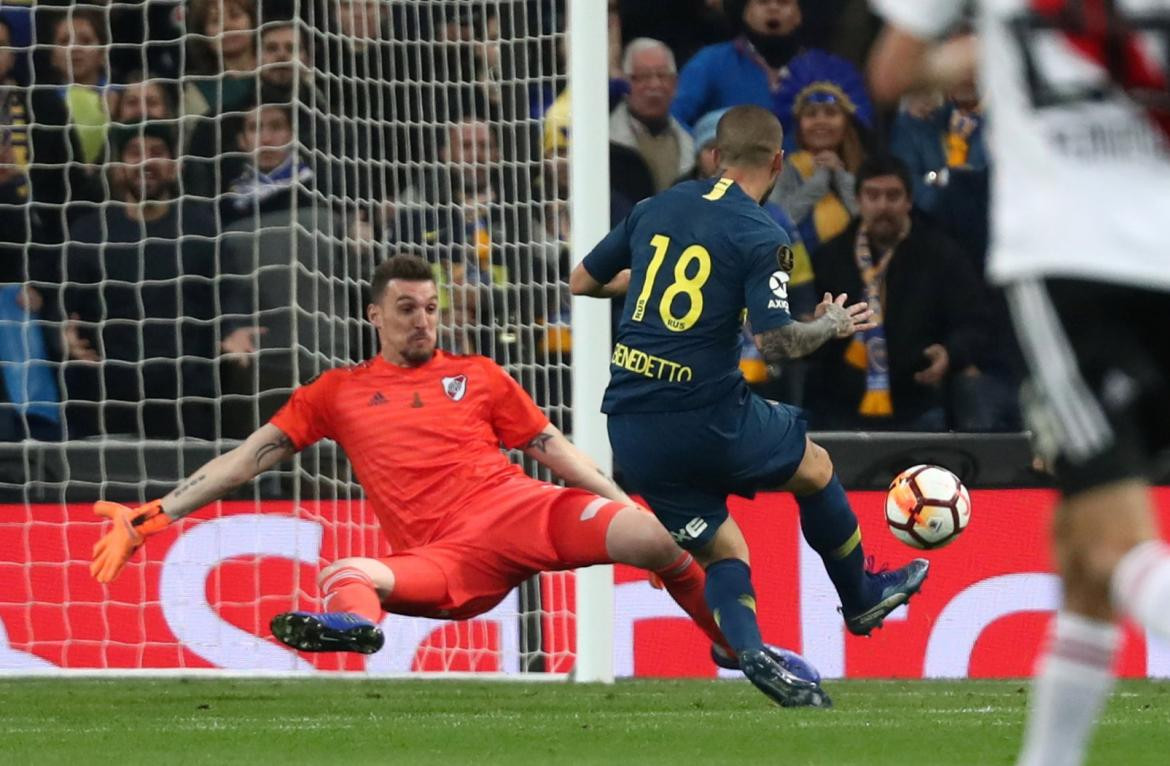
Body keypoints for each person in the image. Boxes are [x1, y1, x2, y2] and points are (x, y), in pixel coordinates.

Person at [89, 254, 768, 683]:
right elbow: (245, 460)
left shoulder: (477, 376)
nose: (424, 321)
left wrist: (625, 507)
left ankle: (741, 651)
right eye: (408, 308)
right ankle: (356, 629)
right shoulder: (336, 392)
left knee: (656, 537)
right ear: (374, 315)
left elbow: (555, 453)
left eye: (433, 308)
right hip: (445, 559)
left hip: (520, 512)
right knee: (346, 573)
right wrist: (150, 518)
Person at [868, 3, 1170, 765]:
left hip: (1070, 260)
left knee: (1111, 543)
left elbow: (894, 72)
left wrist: (988, 55)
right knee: (1080, 545)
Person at [571, 105, 928, 708]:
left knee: (723, 549)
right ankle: (862, 595)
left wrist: (657, 290)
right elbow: (778, 341)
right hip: (704, 412)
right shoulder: (764, 233)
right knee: (814, 467)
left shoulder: (655, 207)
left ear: (714, 156)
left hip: (630, 425)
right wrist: (832, 324)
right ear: (779, 162)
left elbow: (582, 281)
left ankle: (751, 650)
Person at [805, 155, 988, 431]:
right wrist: (812, 330)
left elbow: (975, 323)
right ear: (857, 201)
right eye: (872, 195)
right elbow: (807, 327)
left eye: (893, 196)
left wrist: (951, 353)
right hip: (839, 406)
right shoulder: (829, 257)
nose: (883, 206)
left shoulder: (942, 254)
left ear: (909, 201)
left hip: (918, 404)